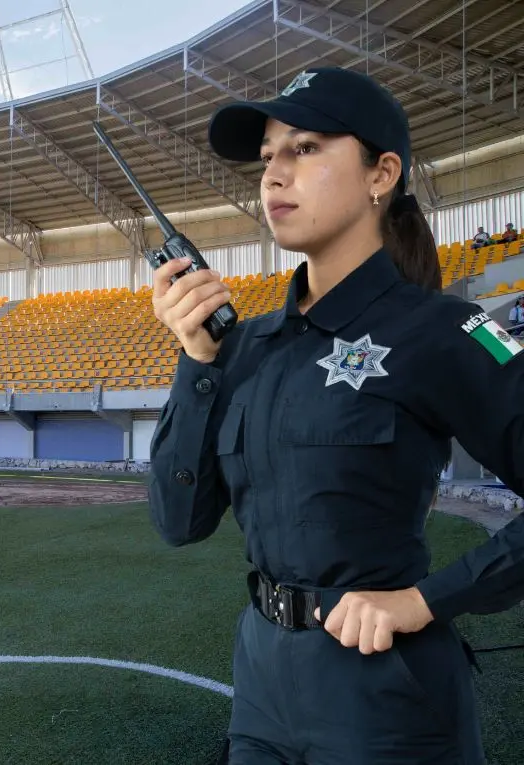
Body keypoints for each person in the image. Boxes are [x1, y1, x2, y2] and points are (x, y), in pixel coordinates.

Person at [147, 65, 524, 764]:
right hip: (261, 689)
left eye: (307, 148)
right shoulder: (243, 346)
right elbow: (179, 521)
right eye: (267, 158)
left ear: (382, 174)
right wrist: (197, 361)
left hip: (388, 706)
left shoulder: (450, 328)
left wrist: (426, 598)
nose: (274, 175)